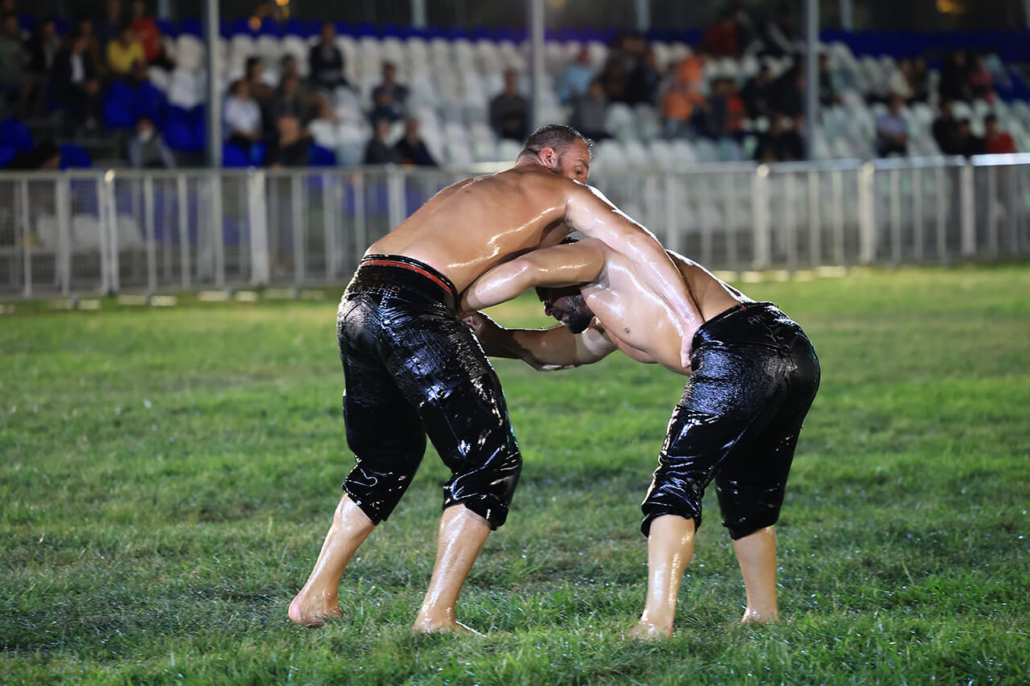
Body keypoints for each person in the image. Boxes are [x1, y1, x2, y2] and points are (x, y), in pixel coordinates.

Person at [288, 124, 702, 633]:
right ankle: (436, 615)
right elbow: (636, 241)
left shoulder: (470, 188)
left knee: (386, 458)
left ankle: (315, 596)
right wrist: (689, 320)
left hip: (359, 295)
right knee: (490, 462)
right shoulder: (557, 188)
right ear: (548, 157)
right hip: (416, 301)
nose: (582, 184)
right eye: (578, 170)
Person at [460, 236, 819, 639]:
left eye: (547, 290)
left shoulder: (600, 257)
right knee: (748, 486)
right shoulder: (609, 310)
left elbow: (524, 268)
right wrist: (493, 336)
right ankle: (763, 614)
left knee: (675, 484)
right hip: (792, 352)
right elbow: (559, 349)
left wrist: (458, 297)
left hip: (740, 349)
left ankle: (656, 623)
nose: (545, 303)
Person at [52, 29, 101, 132]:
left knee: (96, 92)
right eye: (81, 42)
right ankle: (85, 122)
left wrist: (93, 83)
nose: (83, 45)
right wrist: (82, 86)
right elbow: (61, 77)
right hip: (68, 87)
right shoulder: (62, 56)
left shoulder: (86, 56)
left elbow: (91, 74)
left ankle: (94, 121)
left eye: (84, 42)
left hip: (85, 85)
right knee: (86, 94)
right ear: (74, 42)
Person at [0, 12, 29, 115]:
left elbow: (27, 59)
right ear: (3, 25)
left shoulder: (18, 41)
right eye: (9, 24)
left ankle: (21, 110)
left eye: (14, 24)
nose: (12, 27)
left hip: (17, 79)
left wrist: (19, 57)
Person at [129, 0, 172, 70]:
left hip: (157, 58)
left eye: (140, 4)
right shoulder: (129, 25)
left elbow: (158, 37)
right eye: (136, 5)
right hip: (141, 62)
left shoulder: (149, 21)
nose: (138, 7)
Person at [489, 67, 529, 141]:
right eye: (508, 80)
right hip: (502, 140)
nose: (510, 82)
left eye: (512, 80)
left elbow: (527, 123)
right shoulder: (497, 102)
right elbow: (494, 123)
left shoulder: (523, 102)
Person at [224, 79, 262, 153]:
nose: (243, 90)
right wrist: (245, 134)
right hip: (236, 136)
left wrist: (255, 133)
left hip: (252, 135)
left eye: (245, 88)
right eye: (241, 88)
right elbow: (230, 124)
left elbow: (257, 122)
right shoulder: (230, 103)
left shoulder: (252, 104)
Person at [309, 22, 347, 92]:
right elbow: (316, 67)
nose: (328, 35)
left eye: (331, 33)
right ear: (322, 34)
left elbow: (340, 66)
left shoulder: (337, 51)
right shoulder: (315, 50)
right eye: (326, 33)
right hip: (320, 82)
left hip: (336, 82)